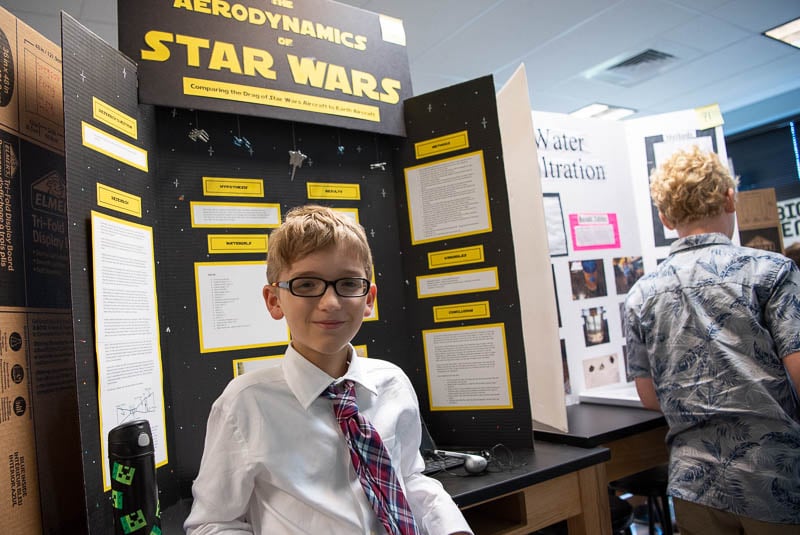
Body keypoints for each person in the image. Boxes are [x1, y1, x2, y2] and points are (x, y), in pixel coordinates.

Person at [184, 205, 472, 534]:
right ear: (274, 301)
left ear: (368, 299)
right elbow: (213, 523)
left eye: (348, 284)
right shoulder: (245, 404)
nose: (331, 303)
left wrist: (451, 527)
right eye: (306, 285)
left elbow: (407, 477)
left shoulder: (392, 384)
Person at [624, 146, 800, 534]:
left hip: (693, 487)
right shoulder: (771, 272)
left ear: (665, 217)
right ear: (728, 197)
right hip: (773, 483)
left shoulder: (641, 294)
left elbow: (649, 396)